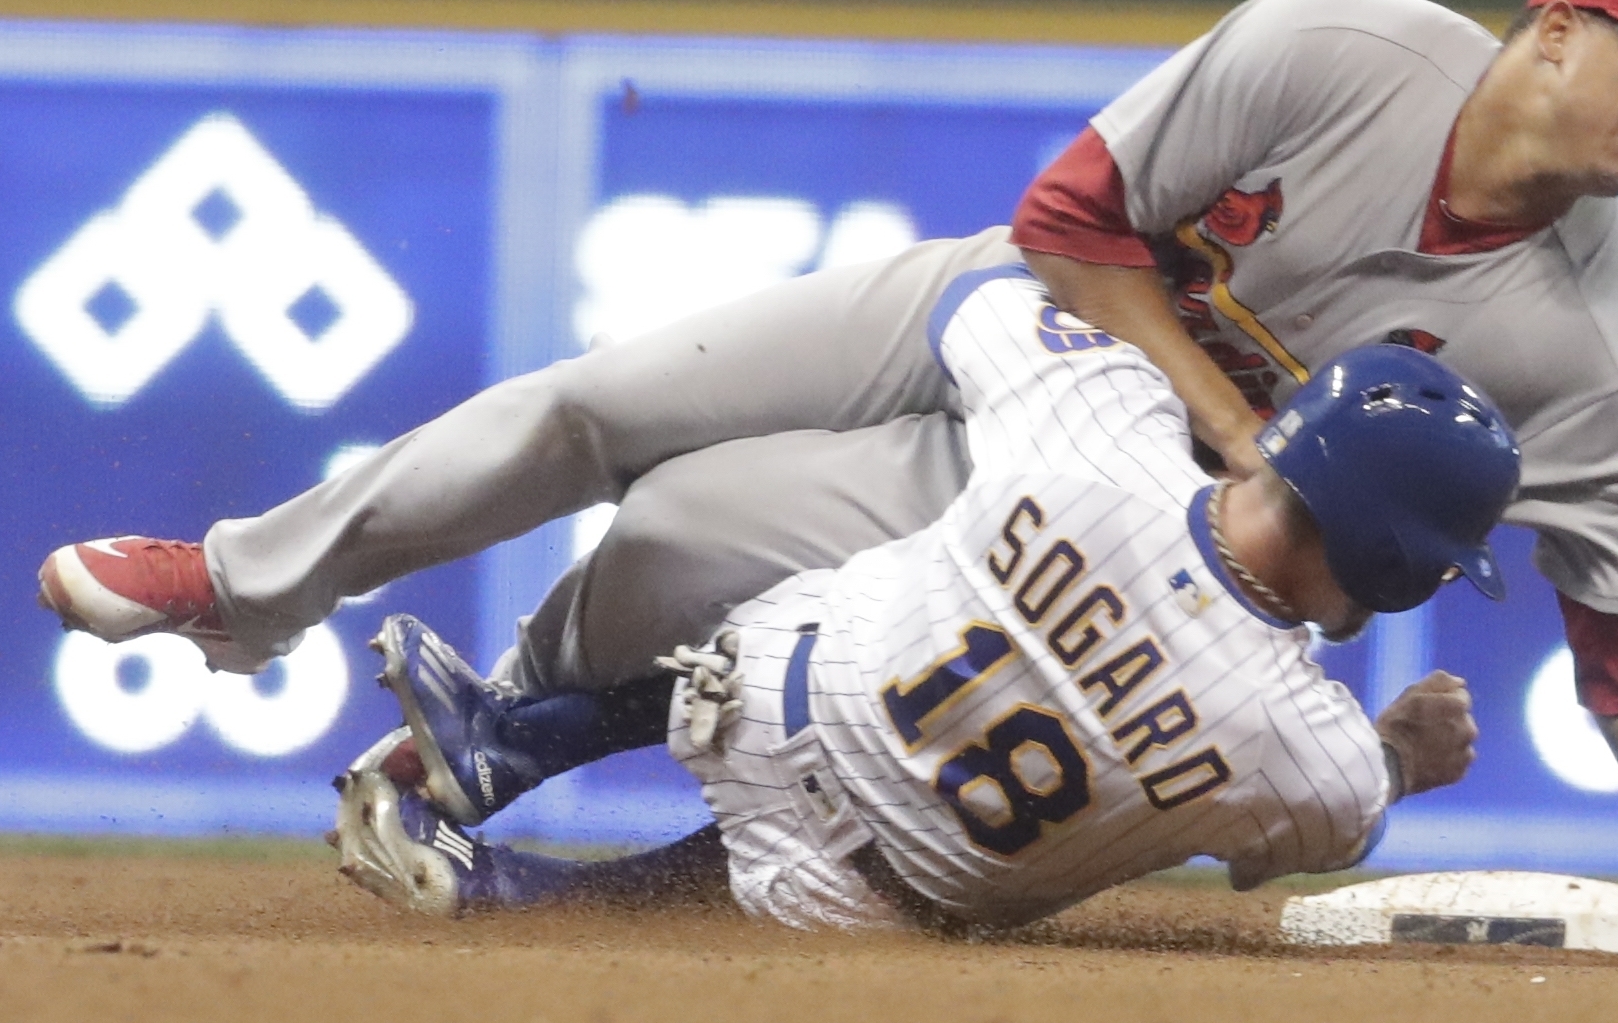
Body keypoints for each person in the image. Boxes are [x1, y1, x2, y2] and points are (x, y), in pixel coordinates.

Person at [39, 0, 1618, 895]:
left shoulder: (1587, 348)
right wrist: (1222, 409)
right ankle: (247, 585)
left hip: (1091, 515)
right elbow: (1066, 226)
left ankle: (512, 734)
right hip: (1020, 328)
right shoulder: (1336, 48)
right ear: (1552, 29)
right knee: (601, 403)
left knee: (678, 538)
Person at [333, 266, 1518, 929]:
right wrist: (1405, 753)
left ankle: (520, 736)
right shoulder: (1308, 748)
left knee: (901, 560)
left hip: (758, 699)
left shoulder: (1105, 434)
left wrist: (1148, 342)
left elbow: (987, 293)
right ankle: (510, 897)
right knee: (867, 869)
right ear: (1392, 554)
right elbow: (1324, 829)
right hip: (849, 898)